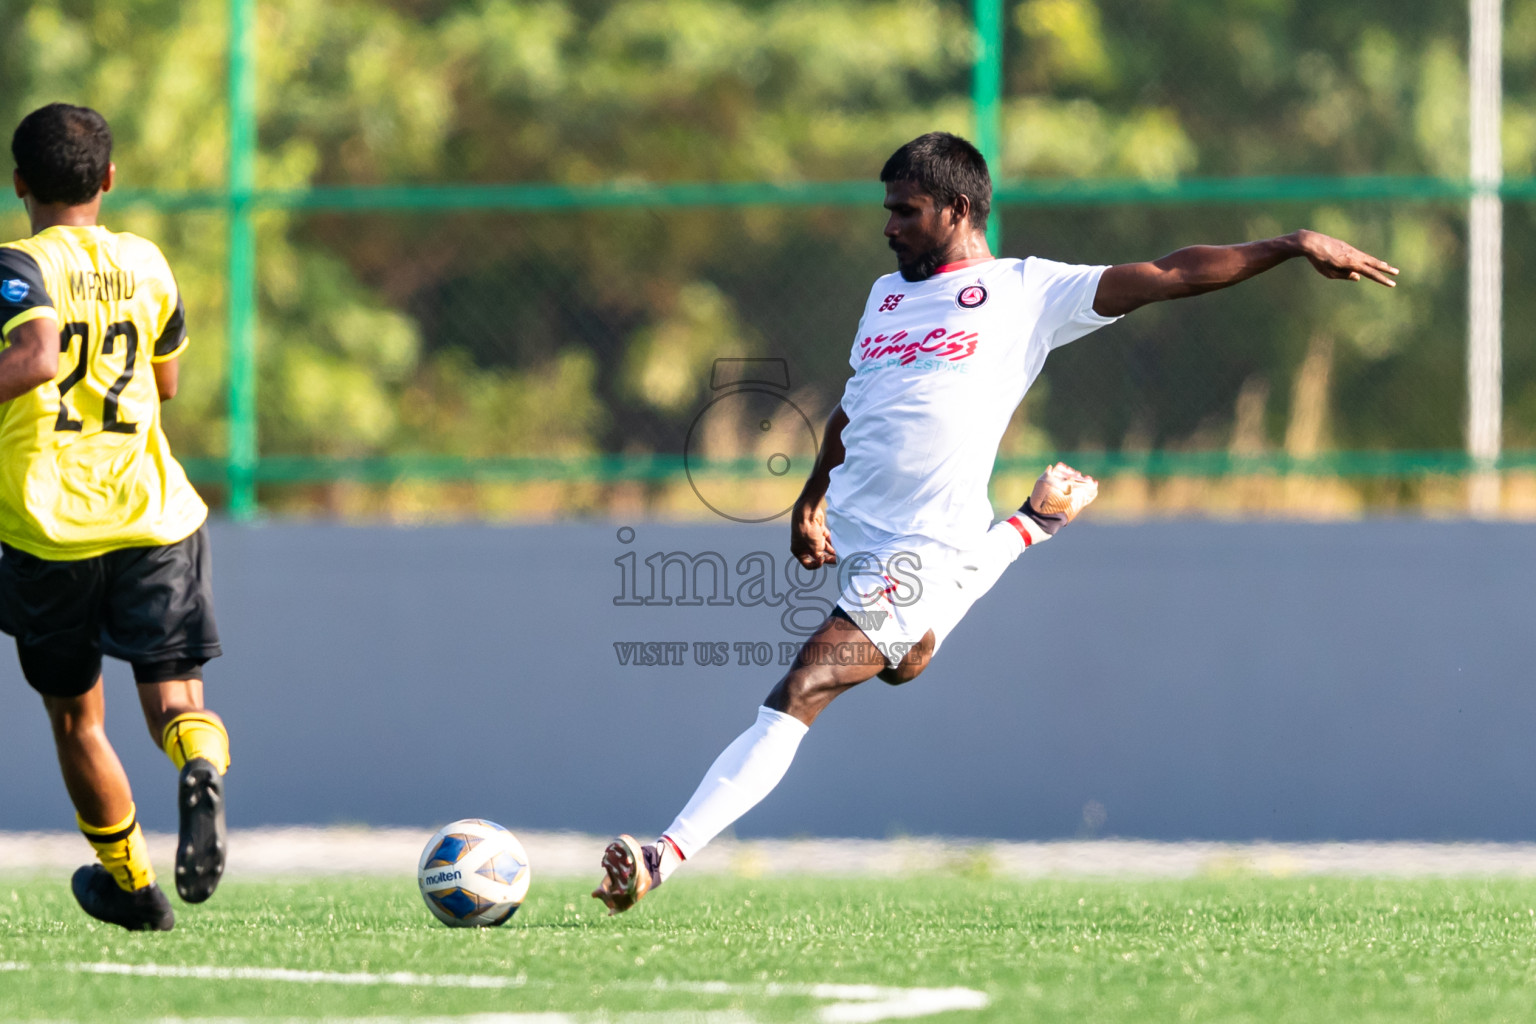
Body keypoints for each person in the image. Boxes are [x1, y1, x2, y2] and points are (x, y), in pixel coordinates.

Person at [593, 131, 1398, 914]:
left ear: (955, 207)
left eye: (905, 211)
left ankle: (665, 854)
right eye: (888, 209)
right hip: (865, 540)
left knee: (802, 687)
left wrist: (1290, 244)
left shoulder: (1027, 291)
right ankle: (1025, 530)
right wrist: (812, 496)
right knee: (905, 662)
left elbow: (1171, 272)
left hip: (922, 547)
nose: (889, 226)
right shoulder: (885, 296)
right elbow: (860, 402)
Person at [0, 104, 230, 931]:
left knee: (76, 718)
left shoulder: (15, 267)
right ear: (109, 179)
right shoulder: (146, 261)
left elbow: (35, 356)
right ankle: (200, 767)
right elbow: (166, 383)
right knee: (173, 698)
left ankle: (132, 885)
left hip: (49, 525)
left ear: (19, 182)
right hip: (153, 515)